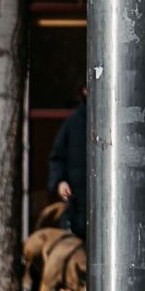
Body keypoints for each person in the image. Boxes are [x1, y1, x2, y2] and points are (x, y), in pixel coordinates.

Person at [47, 88, 87, 242]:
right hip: (77, 209)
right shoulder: (72, 123)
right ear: (84, 90)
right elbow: (57, 158)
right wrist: (59, 182)